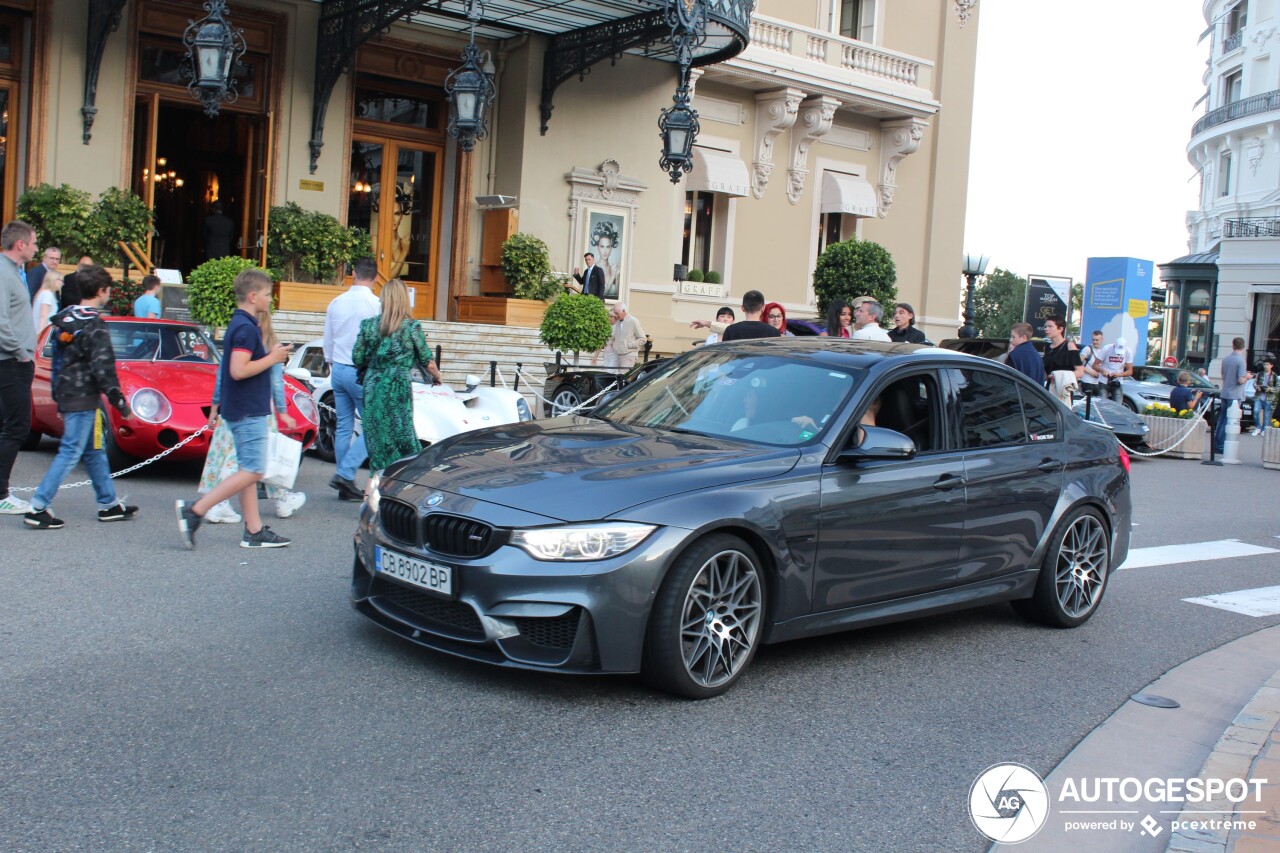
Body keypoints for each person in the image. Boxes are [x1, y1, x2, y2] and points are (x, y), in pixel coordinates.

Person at [176, 268, 293, 549]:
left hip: (241, 408)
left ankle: (253, 531)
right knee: (253, 470)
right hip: (248, 410)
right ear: (253, 296)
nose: (270, 299)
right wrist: (274, 357)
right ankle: (196, 510)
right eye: (266, 294)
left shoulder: (240, 325)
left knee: (247, 469)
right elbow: (238, 370)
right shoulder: (246, 328)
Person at [22, 266, 138, 529]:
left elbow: (58, 363)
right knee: (71, 451)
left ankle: (108, 504)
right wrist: (120, 402)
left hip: (68, 394)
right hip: (84, 397)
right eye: (109, 290)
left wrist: (57, 396)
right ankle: (38, 506)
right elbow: (104, 369)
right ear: (102, 292)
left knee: (93, 449)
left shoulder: (66, 319)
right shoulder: (95, 325)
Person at [201, 309, 307, 523]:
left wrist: (215, 404)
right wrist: (283, 411)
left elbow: (223, 375)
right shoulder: (269, 345)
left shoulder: (238, 337)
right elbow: (276, 383)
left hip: (231, 405)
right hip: (257, 408)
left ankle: (280, 497)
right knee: (252, 460)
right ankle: (219, 502)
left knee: (234, 456)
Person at [351, 279, 442, 476]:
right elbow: (427, 360)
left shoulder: (368, 326)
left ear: (384, 299)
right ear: (403, 300)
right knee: (403, 435)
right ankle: (405, 481)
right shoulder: (411, 327)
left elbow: (356, 357)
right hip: (397, 387)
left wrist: (375, 361)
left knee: (377, 439)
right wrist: (437, 376)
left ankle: (374, 487)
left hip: (373, 386)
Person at [323, 256, 381, 501]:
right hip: (361, 371)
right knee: (374, 425)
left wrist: (331, 362)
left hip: (338, 368)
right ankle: (345, 474)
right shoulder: (376, 304)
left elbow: (328, 338)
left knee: (345, 426)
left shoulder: (337, 302)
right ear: (376, 278)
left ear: (353, 273)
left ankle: (343, 478)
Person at [0, 220, 39, 515]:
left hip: (16, 360)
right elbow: (1, 321)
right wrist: (20, 353)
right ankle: (1, 494)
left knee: (11, 427)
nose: (37, 248)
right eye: (34, 243)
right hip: (11, 361)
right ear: (20, 244)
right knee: (17, 427)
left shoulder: (14, 272)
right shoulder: (4, 272)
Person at [1214, 337, 1252, 455]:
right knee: (1229, 420)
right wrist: (1247, 377)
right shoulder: (1241, 361)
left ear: (1233, 345)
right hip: (1235, 394)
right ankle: (1221, 445)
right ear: (1243, 347)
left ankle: (1216, 443)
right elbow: (1240, 380)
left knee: (1221, 419)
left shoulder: (1226, 359)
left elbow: (1223, 376)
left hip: (1225, 391)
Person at [1041, 314, 1082, 392]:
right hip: (1049, 388)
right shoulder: (1046, 347)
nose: (1046, 329)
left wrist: (1060, 377)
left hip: (1064, 389)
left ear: (1060, 329)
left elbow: (1080, 371)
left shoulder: (1069, 346)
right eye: (1045, 326)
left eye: (1050, 326)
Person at [1090, 336, 1133, 404]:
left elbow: (1130, 371)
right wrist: (1103, 371)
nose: (1118, 354)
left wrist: (1119, 374)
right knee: (1102, 404)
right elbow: (1094, 365)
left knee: (1118, 406)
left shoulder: (1128, 351)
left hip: (1117, 382)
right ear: (1114, 346)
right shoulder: (1107, 349)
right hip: (1104, 381)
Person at [608, 302, 647, 368]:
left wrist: (629, 345)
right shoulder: (618, 322)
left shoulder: (633, 321)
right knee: (618, 376)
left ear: (623, 311)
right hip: (618, 354)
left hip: (629, 354)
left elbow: (643, 339)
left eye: (617, 313)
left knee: (623, 375)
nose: (616, 315)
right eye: (615, 313)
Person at [32, 270, 63, 334]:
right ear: (55, 280)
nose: (62, 283)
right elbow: (43, 317)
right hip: (43, 333)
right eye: (61, 280)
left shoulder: (43, 293)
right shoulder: (47, 295)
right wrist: (40, 336)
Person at [1252, 357, 1277, 435]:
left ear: (1271, 365)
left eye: (1267, 364)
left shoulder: (1274, 376)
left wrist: (1270, 389)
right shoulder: (1259, 374)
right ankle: (1257, 427)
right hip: (1259, 396)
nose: (1265, 366)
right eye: (1264, 364)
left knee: (1266, 415)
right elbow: (1254, 383)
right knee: (1256, 411)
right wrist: (1258, 387)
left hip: (1268, 398)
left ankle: (1263, 430)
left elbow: (1278, 388)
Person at [1078, 330, 1105, 397]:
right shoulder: (1087, 349)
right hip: (1087, 382)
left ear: (1102, 340)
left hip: (1098, 383)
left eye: (1097, 340)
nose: (1095, 342)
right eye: (1093, 340)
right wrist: (1090, 372)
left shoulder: (1103, 351)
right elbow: (1077, 363)